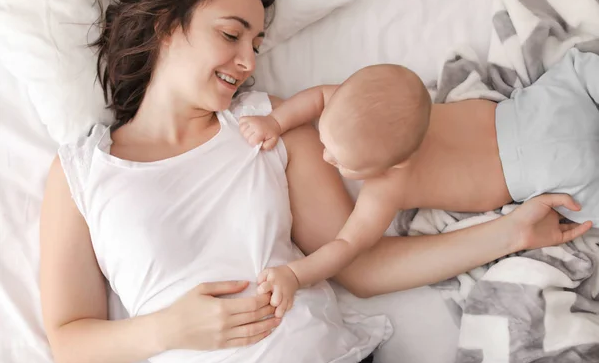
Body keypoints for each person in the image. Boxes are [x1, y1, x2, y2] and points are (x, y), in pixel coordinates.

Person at [39, 0, 591, 363]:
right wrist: (168, 330)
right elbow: (69, 344)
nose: (249, 61)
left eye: (256, 44)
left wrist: (511, 232)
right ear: (164, 25)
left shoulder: (268, 125)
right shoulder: (81, 174)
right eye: (231, 35)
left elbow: (359, 263)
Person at [239, 56, 596, 316]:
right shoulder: (375, 108)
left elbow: (346, 247)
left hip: (544, 170)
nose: (326, 157)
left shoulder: (388, 186)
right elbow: (319, 98)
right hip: (539, 112)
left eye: (343, 161)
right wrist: (275, 121)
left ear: (396, 165)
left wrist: (295, 274)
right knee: (582, 72)